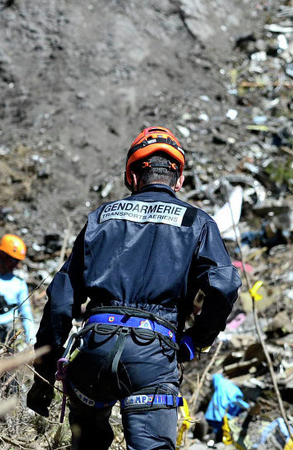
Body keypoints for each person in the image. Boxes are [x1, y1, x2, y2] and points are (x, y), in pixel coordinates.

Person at [27, 126, 242, 450]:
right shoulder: (196, 222)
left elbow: (60, 300)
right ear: (179, 179)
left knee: (87, 443)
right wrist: (195, 342)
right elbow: (224, 286)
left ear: (132, 175)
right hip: (152, 358)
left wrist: (43, 379)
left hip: (94, 351)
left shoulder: (101, 218)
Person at [0, 234, 35, 345]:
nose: (15, 265)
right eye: (12, 260)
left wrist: (31, 341)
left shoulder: (19, 284)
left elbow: (26, 314)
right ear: (2, 255)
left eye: (17, 261)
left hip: (6, 332)